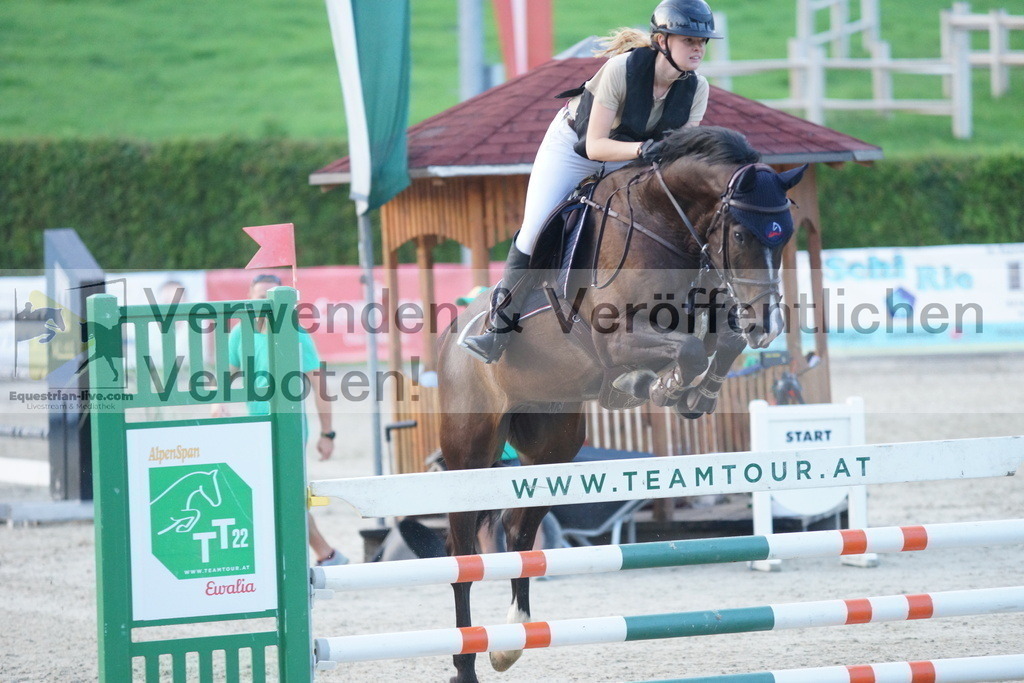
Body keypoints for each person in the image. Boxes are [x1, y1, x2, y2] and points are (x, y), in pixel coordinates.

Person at [461, 0, 722, 363]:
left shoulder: (697, 88)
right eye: (688, 39)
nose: (698, 48)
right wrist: (645, 150)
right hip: (574, 149)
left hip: (629, 161)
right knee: (535, 230)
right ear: (661, 40)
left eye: (703, 41)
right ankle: (498, 327)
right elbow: (595, 145)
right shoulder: (620, 70)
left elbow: (675, 157)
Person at [228, 273, 349, 566]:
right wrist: (219, 405)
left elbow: (319, 387)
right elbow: (226, 379)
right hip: (252, 429)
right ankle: (325, 554)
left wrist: (327, 433)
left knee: (284, 494)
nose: (268, 302)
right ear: (251, 297)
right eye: (261, 296)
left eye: (274, 296)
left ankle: (321, 555)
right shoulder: (238, 334)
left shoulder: (296, 335)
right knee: (272, 494)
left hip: (290, 429)